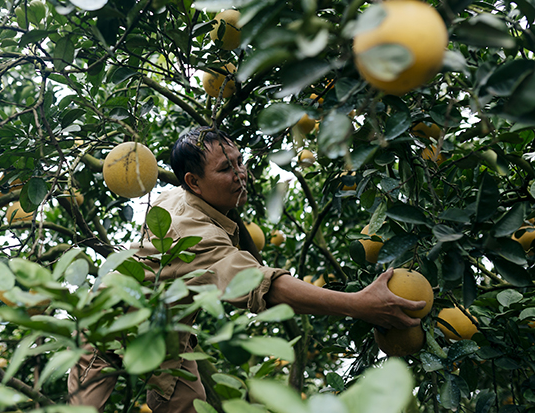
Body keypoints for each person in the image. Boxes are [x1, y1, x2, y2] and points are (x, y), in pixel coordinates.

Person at [68, 127, 426, 412]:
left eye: (239, 161)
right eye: (226, 169)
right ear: (193, 182)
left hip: (167, 338)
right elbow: (259, 285)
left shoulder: (185, 195)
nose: (241, 174)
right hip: (110, 322)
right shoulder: (193, 233)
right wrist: (358, 304)